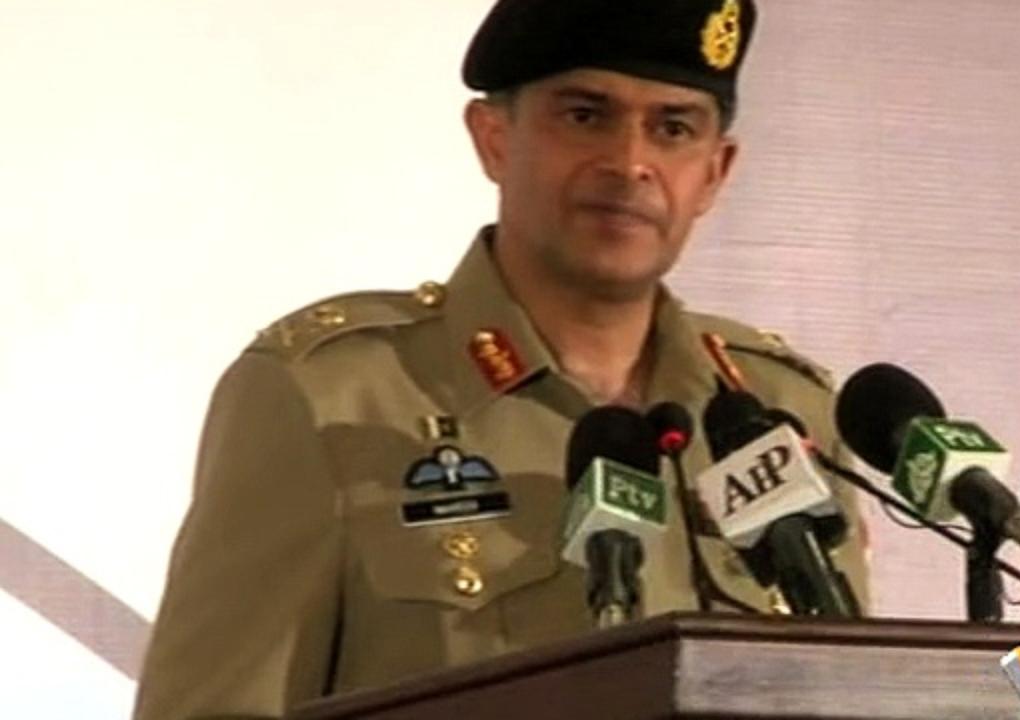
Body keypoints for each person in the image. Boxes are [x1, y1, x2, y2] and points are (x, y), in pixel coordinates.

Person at [134, 1, 871, 717]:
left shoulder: (782, 408)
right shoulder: (332, 395)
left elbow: (857, 689)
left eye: (672, 129)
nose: (630, 163)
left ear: (714, 172)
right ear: (493, 138)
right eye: (585, 116)